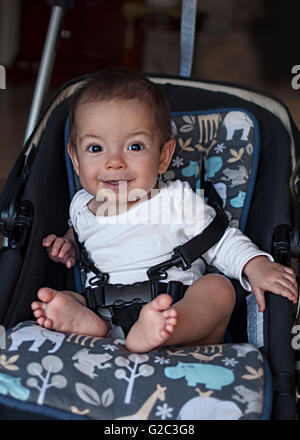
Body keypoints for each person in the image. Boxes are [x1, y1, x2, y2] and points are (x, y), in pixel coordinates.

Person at [31, 67, 298, 353]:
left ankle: (165, 328)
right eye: (96, 149)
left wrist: (254, 264)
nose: (114, 162)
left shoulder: (177, 201)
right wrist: (68, 243)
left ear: (163, 157)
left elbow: (221, 242)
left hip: (181, 317)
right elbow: (80, 230)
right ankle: (94, 326)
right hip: (106, 311)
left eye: (134, 146)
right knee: (72, 296)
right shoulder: (81, 205)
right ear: (75, 158)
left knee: (218, 288)